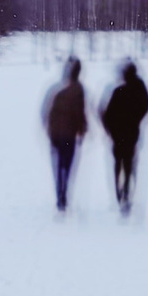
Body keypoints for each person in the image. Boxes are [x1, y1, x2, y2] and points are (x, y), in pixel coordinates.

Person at [99, 60, 148, 215]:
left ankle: (119, 194)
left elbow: (108, 114)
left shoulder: (119, 92)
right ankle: (127, 197)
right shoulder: (139, 89)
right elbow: (146, 106)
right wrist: (136, 120)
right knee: (128, 166)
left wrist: (110, 130)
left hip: (117, 136)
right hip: (131, 135)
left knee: (118, 164)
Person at [43, 57, 88, 213]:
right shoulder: (78, 89)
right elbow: (80, 113)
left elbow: (46, 111)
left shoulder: (56, 88)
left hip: (55, 133)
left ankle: (60, 195)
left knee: (58, 164)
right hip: (69, 134)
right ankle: (63, 194)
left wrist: (48, 129)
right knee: (66, 165)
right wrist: (82, 130)